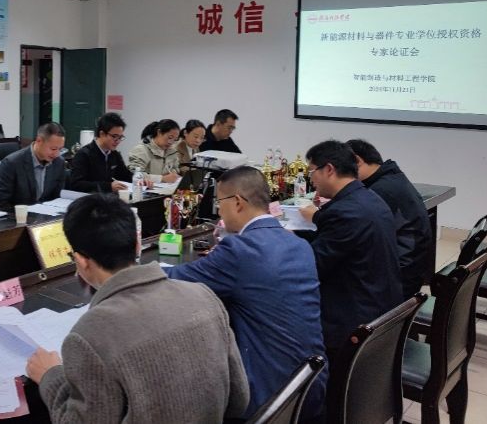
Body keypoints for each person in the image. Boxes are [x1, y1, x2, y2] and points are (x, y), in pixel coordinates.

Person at [26, 194, 249, 424]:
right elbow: (239, 401)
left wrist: (50, 377)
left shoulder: (88, 335)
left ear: (80, 260)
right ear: (137, 244)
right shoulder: (204, 296)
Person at [164, 166, 326, 421]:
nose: (219, 211)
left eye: (220, 203)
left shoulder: (240, 250)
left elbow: (173, 279)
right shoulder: (299, 244)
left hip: (265, 398)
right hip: (310, 385)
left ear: (237, 202)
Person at [299, 140, 402, 360]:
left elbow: (312, 267)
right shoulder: (369, 198)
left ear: (329, 169)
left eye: (312, 172)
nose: (311, 180)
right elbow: (332, 241)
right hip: (382, 307)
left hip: (354, 323)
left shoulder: (344, 212)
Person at [346, 139, 432, 299]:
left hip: (398, 280)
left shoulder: (381, 191)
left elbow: (353, 232)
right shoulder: (392, 178)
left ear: (357, 161)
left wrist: (317, 216)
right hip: (411, 270)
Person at [0, 122, 66, 209]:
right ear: (39, 141)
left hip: (48, 214)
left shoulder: (59, 162)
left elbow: (57, 198)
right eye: (53, 149)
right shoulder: (11, 163)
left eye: (60, 149)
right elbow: (0, 203)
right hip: (18, 215)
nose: (57, 154)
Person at [68, 112, 134, 193]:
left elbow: (125, 176)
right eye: (114, 136)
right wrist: (108, 187)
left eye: (120, 137)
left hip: (107, 197)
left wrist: (139, 180)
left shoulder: (114, 154)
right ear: (102, 134)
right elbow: (76, 185)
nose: (118, 141)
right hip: (88, 198)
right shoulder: (84, 154)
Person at [127, 119, 181, 183]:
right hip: (146, 188)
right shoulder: (141, 150)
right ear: (159, 132)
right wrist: (162, 178)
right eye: (170, 137)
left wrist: (173, 173)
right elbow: (135, 174)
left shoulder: (172, 151)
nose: (171, 142)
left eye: (175, 139)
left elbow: (176, 168)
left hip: (166, 187)